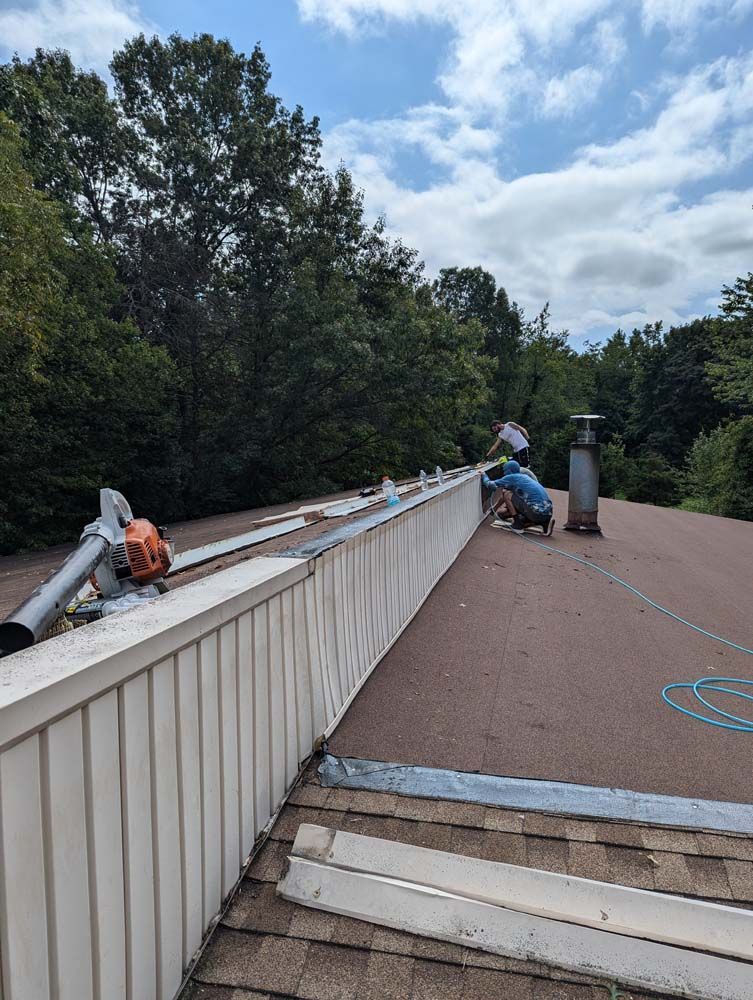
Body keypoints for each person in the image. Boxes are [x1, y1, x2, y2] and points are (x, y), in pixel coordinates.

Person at [481, 466, 554, 534]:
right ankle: (544, 522)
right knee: (505, 513)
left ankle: (517, 524)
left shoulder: (512, 477)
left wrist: (484, 475)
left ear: (508, 470)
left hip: (535, 512)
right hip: (548, 513)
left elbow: (490, 485)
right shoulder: (525, 477)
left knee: (507, 494)